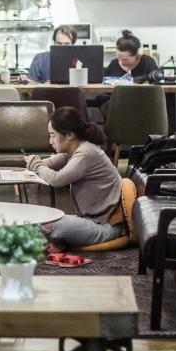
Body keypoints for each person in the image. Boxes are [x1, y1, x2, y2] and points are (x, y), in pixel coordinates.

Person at [24, 106, 125, 252]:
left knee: (52, 225)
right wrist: (38, 163)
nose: (50, 141)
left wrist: (36, 165)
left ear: (69, 135)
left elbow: (57, 180)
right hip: (94, 221)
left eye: (53, 135)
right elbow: (54, 161)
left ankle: (45, 241)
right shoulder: (77, 149)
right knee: (44, 221)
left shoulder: (85, 153)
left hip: (106, 226)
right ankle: (54, 241)